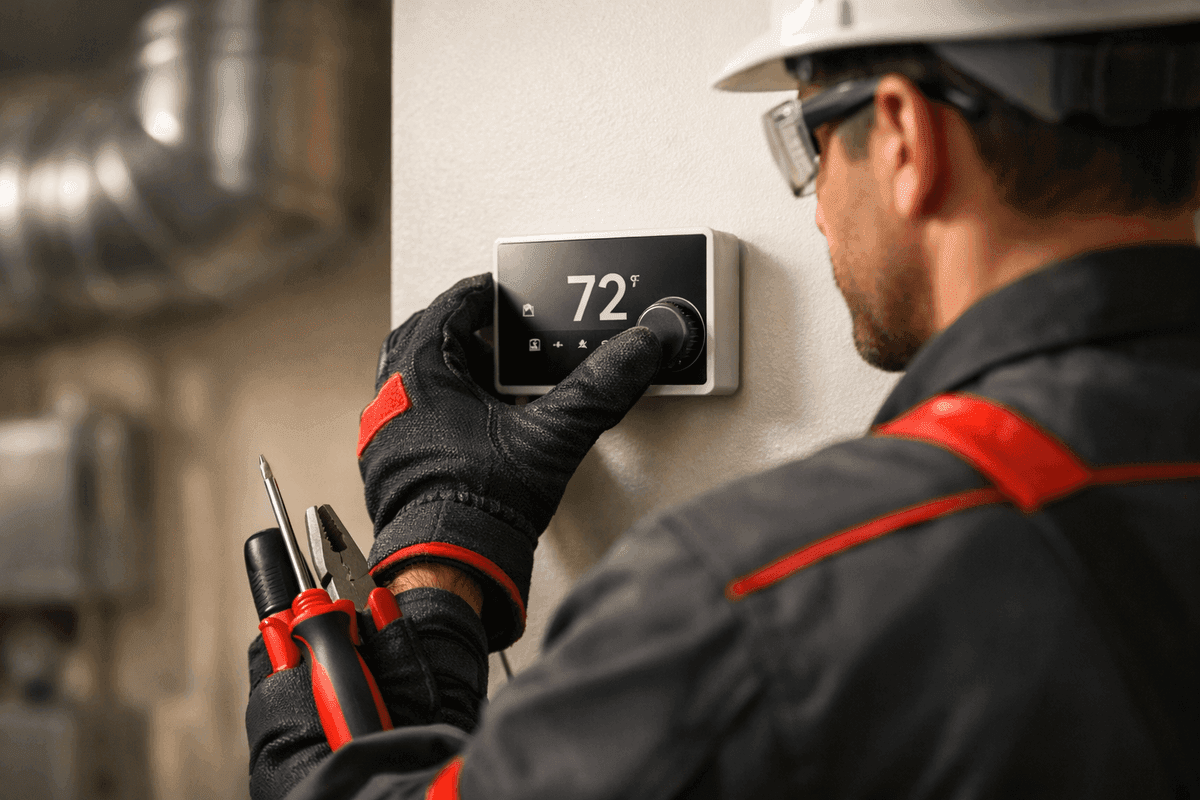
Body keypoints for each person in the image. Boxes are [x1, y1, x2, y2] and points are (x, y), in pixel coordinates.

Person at [245, 1, 1200, 797]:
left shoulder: (753, 598)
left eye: (808, 139)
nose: (818, 205)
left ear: (907, 136)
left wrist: (442, 549)